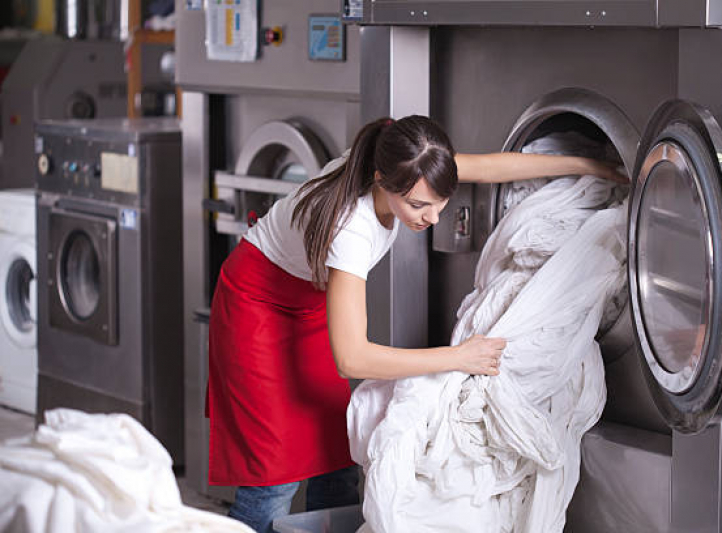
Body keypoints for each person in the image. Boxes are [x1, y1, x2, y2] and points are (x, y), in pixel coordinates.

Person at [206, 115, 625, 533]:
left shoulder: (409, 161)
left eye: (439, 204)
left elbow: (493, 166)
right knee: (273, 482)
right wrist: (458, 357)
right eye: (419, 206)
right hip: (257, 304)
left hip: (312, 303)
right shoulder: (352, 227)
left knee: (334, 463)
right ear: (381, 182)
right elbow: (352, 358)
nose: (432, 219)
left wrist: (590, 167)